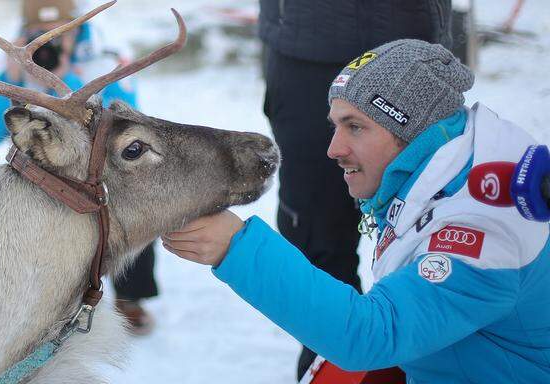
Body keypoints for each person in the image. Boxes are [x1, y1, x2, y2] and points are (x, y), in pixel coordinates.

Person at [162, 39, 550, 383]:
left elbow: (374, 334)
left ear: (412, 129)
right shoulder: (447, 170)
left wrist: (235, 247)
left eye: (355, 127)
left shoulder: (483, 227)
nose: (333, 148)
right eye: (335, 125)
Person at [258, 1, 453, 376]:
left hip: (410, 55)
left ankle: (417, 367)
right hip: (306, 50)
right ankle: (332, 369)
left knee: (428, 241)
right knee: (316, 241)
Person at [0, 0, 157, 335]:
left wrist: (66, 76)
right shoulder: (18, 62)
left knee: (137, 207)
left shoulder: (105, 60)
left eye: (58, 33)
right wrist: (9, 79)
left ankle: (131, 296)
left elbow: (129, 121)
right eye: (38, 35)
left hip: (103, 174)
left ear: (76, 28)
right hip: (43, 177)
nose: (49, 43)